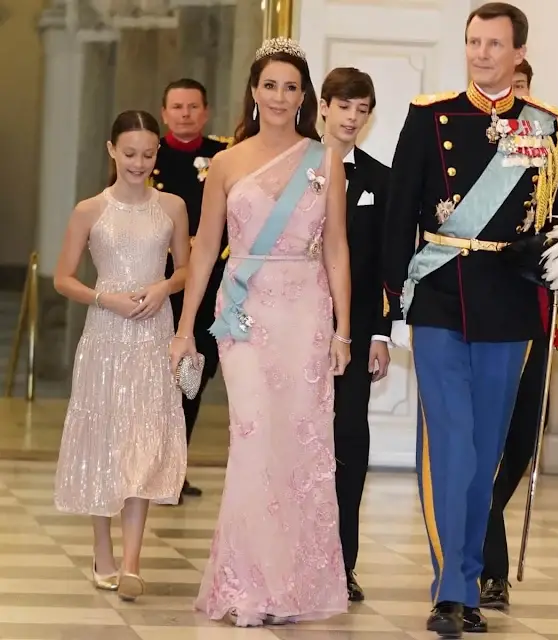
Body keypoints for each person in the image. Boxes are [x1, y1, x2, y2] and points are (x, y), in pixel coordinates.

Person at [382, 3, 558, 636]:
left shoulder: (547, 126)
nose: (481, 53)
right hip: (439, 295)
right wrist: (393, 301)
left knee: (486, 452)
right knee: (453, 448)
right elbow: (398, 213)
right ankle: (451, 590)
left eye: (494, 44)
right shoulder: (428, 115)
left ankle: (467, 577)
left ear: (519, 52)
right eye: (473, 42)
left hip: (509, 303)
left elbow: (556, 222)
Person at [170, 37, 351, 627]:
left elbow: (337, 249)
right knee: (252, 438)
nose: (279, 96)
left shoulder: (324, 160)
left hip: (305, 311)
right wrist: (184, 329)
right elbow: (202, 251)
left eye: (291, 87)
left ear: (306, 97)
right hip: (244, 312)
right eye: (269, 85)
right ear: (254, 91)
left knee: (298, 444)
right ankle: (246, 582)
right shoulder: (225, 161)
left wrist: (345, 328)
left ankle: (294, 583)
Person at [53, 110, 190, 602]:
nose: (139, 162)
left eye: (149, 154)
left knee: (144, 442)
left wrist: (163, 286)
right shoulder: (90, 210)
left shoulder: (172, 206)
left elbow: (186, 270)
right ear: (112, 150)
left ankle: (132, 562)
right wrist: (102, 297)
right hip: (106, 336)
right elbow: (63, 277)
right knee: (106, 441)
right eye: (130, 153)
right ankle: (102, 551)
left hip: (154, 336)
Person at [481, 57, 558, 610]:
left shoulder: (551, 148)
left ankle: (482, 516)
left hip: (534, 313)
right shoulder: (471, 149)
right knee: (482, 445)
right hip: (482, 311)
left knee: (521, 442)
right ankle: (490, 566)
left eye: (522, 88)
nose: (514, 96)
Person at [319, 67, 391, 602]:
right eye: (344, 106)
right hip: (295, 326)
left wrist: (381, 333)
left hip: (358, 327)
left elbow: (389, 263)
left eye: (362, 109)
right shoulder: (295, 165)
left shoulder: (379, 179)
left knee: (349, 445)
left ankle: (342, 563)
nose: (352, 118)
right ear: (323, 106)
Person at [152, 78, 232, 501]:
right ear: (164, 113)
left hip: (210, 287)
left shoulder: (223, 155)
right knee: (153, 381)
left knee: (192, 379)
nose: (184, 114)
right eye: (176, 107)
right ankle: (147, 469)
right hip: (160, 284)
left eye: (192, 107)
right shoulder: (149, 156)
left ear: (205, 112)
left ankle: (175, 471)